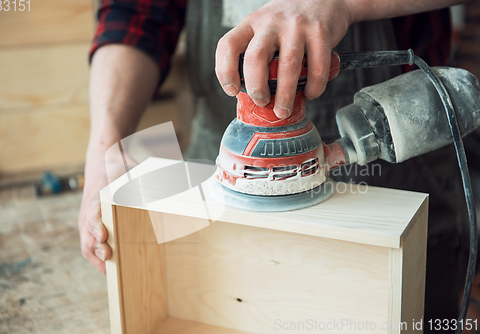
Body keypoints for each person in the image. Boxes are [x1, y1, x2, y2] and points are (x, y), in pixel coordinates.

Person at [79, 0, 469, 331]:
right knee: (209, 294)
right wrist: (105, 146)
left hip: (394, 143)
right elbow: (137, 14)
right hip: (217, 162)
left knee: (411, 301)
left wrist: (341, 5)